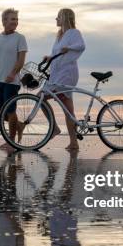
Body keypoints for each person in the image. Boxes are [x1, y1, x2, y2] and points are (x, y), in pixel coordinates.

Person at [0, 8, 27, 149]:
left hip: (11, 81)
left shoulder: (20, 38)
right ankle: (18, 125)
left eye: (16, 20)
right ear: (4, 21)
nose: (15, 22)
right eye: (12, 19)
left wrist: (13, 73)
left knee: (10, 111)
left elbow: (21, 60)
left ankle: (11, 141)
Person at [42, 8, 85, 151]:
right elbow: (58, 54)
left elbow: (81, 46)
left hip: (67, 74)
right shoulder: (60, 35)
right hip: (58, 73)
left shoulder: (74, 33)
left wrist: (69, 48)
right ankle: (74, 143)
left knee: (40, 97)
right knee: (68, 110)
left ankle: (55, 129)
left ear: (65, 18)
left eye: (58, 17)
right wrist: (49, 57)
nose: (56, 19)